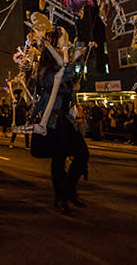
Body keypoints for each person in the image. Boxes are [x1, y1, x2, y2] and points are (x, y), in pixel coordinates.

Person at [32, 28, 89, 216]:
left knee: (82, 155)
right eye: (62, 38)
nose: (65, 41)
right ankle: (61, 197)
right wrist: (70, 63)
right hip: (53, 119)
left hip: (66, 117)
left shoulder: (63, 64)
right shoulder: (46, 68)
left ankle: (70, 189)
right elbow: (56, 81)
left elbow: (69, 83)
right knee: (59, 160)